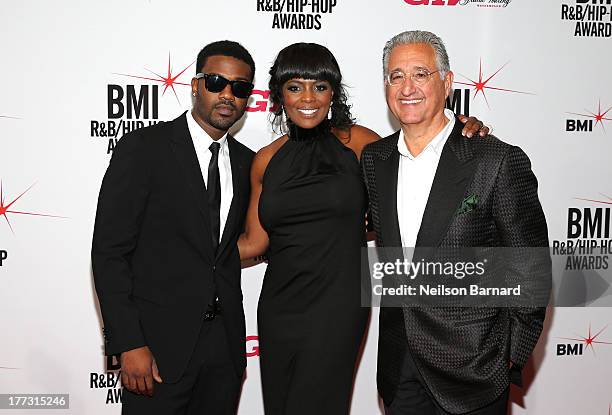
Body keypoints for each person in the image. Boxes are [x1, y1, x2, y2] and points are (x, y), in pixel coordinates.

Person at [238, 42, 488, 415]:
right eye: (295, 87)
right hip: (278, 309)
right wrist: (189, 251)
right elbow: (254, 241)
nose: (308, 97)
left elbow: (422, 165)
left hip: (338, 305)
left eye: (319, 87)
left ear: (333, 93)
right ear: (278, 95)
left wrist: (464, 126)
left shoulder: (361, 145)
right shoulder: (265, 161)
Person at [361, 30, 551, 415]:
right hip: (400, 366)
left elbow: (530, 269)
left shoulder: (495, 160)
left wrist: (509, 356)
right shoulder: (375, 159)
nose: (407, 87)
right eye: (396, 76)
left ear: (446, 83)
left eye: (420, 74)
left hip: (474, 369)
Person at [92, 40, 256, 415]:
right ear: (195, 85)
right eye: (216, 82)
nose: (227, 94)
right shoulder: (144, 148)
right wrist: (129, 342)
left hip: (225, 352)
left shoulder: (249, 164)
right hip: (156, 349)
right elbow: (109, 252)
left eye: (240, 87)